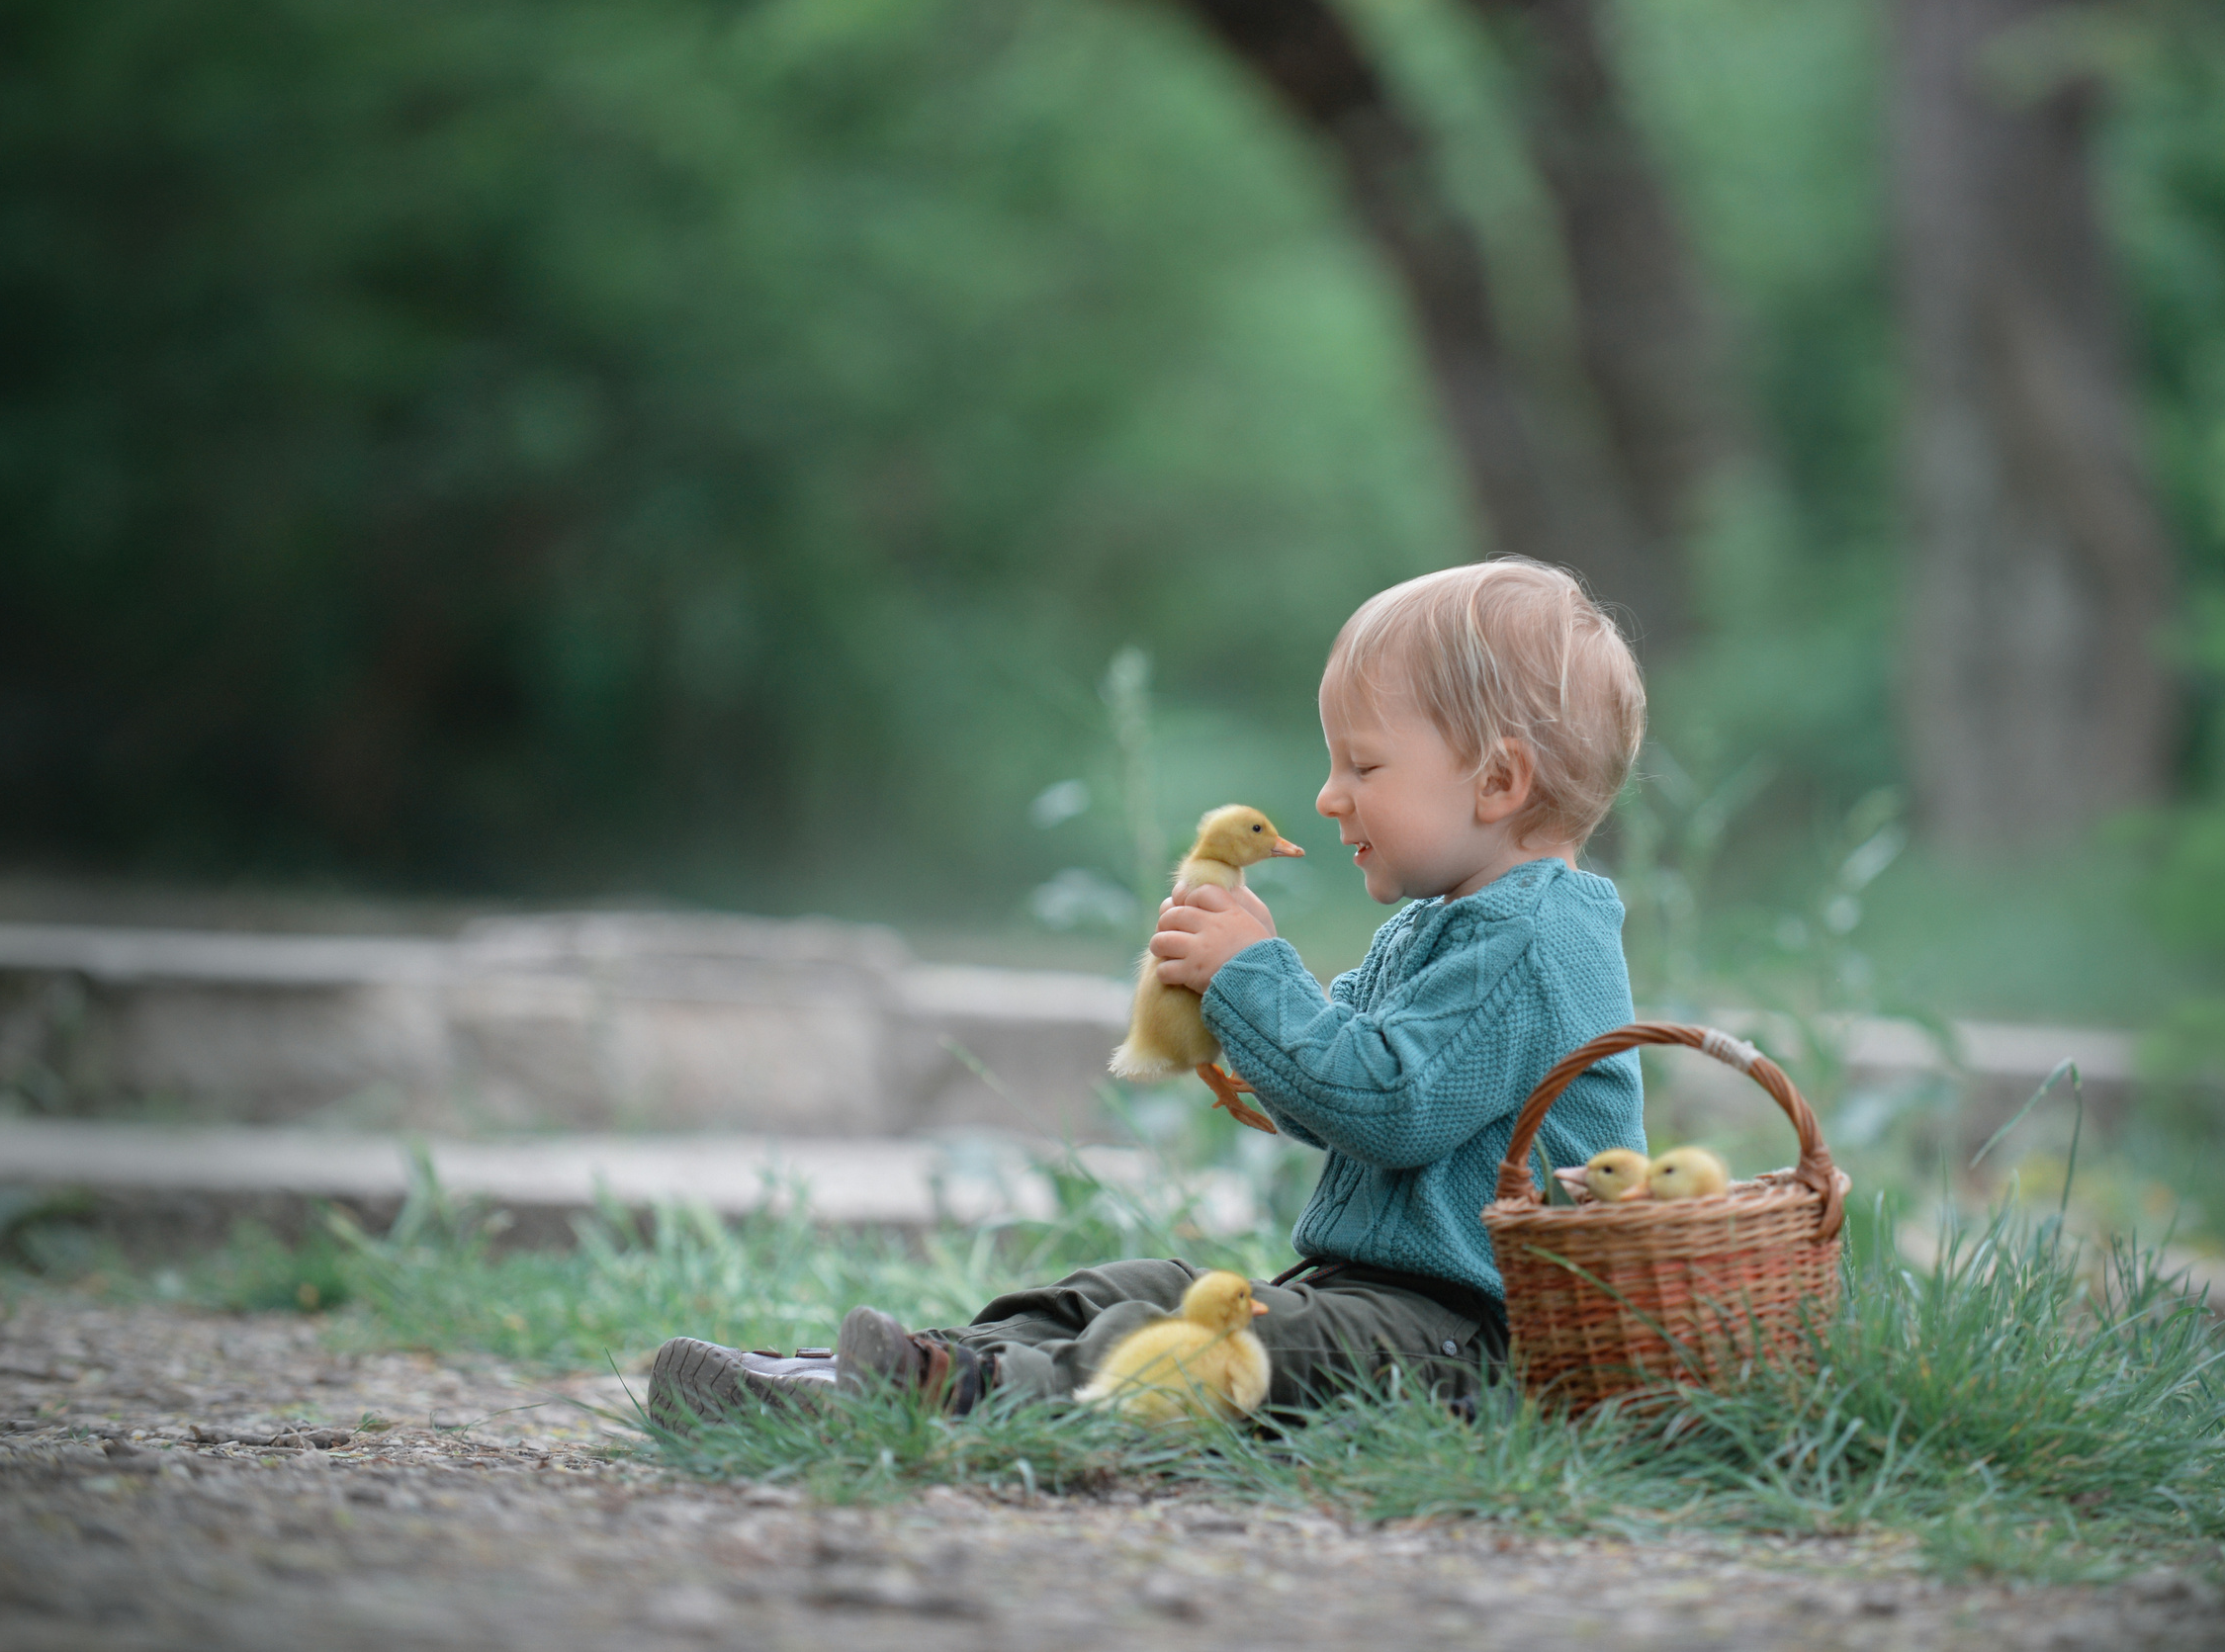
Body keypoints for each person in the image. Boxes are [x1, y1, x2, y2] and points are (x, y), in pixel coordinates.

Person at [648, 558, 1648, 1426]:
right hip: (1380, 1306)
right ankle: (903, 1367)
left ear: (1500, 780)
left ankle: (962, 1400)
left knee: (1227, 1344)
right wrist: (1239, 1037)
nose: (1327, 794)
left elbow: (1388, 1105)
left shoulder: (1531, 938)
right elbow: (1345, 1084)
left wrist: (1255, 976)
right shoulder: (1442, 925)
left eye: (1363, 762)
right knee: (1135, 1286)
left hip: (1476, 1343)